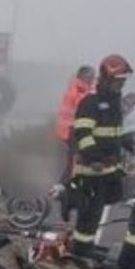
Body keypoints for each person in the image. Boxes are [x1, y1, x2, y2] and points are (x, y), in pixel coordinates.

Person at [70, 54, 133, 259]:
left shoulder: (114, 104)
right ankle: (80, 252)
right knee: (88, 216)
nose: (120, 85)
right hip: (91, 171)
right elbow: (83, 134)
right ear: (106, 79)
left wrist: (130, 144)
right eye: (117, 81)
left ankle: (86, 249)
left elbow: (115, 133)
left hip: (108, 171)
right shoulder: (91, 103)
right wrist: (96, 158)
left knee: (96, 213)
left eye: (123, 81)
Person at [51, 65, 95, 221]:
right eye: (91, 76)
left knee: (71, 164)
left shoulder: (80, 89)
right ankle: (62, 191)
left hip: (69, 130)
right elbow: (86, 109)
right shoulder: (78, 92)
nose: (93, 78)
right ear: (83, 76)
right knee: (74, 164)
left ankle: (61, 189)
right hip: (72, 131)